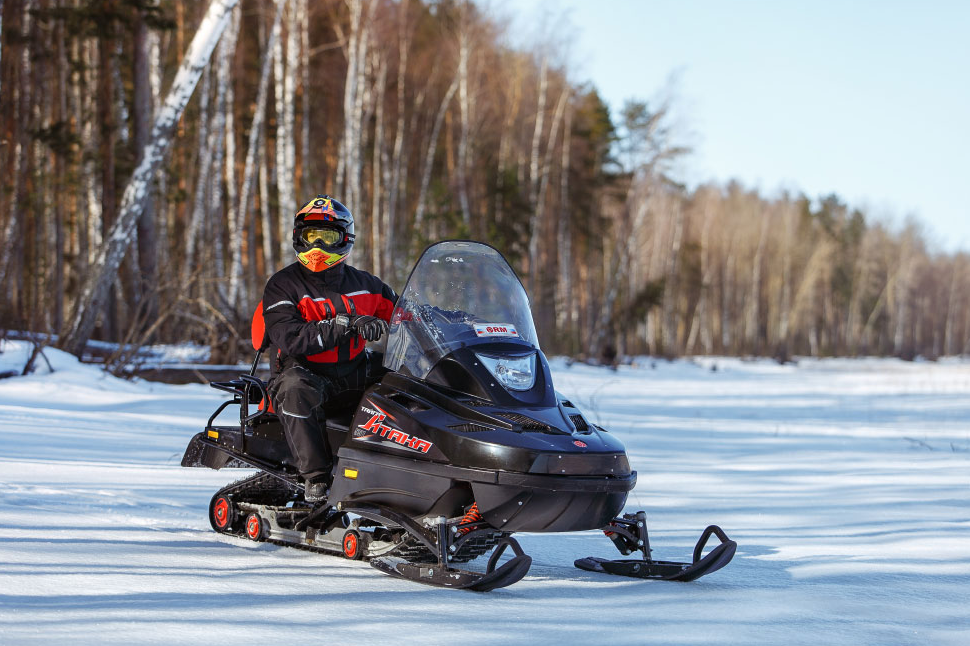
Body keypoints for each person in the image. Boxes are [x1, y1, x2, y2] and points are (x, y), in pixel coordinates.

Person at [261, 195, 397, 502]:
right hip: (304, 371)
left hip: (354, 371)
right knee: (295, 388)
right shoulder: (283, 285)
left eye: (327, 237)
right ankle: (316, 478)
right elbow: (291, 337)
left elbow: (406, 313)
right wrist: (347, 323)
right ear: (299, 238)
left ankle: (412, 461)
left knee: (405, 376)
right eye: (311, 237)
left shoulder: (366, 285)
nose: (317, 247)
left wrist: (453, 319)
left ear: (344, 239)